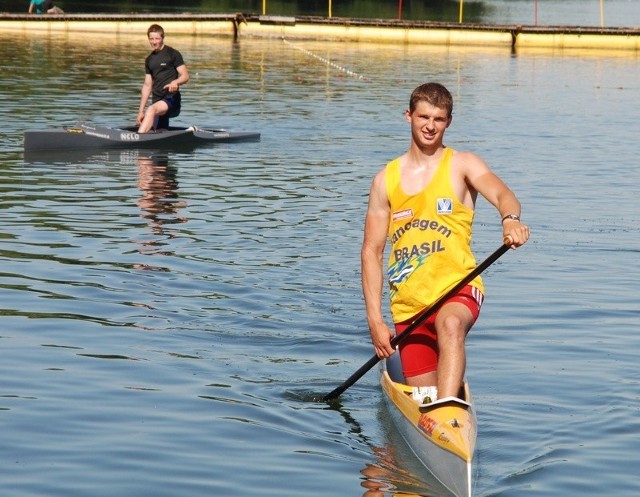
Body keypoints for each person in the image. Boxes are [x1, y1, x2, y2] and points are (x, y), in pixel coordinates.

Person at [361, 82, 530, 402]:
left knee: (451, 324)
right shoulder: (385, 180)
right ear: (408, 116)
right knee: (423, 395)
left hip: (458, 287)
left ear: (448, 122)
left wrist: (510, 220)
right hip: (409, 306)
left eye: (438, 119)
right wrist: (375, 319)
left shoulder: (464, 165)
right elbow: (372, 252)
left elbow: (502, 194)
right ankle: (435, 411)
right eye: (423, 117)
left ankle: (448, 409)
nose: (429, 126)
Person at [137, 24, 189, 133]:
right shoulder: (149, 59)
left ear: (163, 38)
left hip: (171, 99)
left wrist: (176, 82)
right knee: (158, 132)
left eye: (157, 38)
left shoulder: (173, 54)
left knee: (150, 110)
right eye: (151, 39)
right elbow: (147, 86)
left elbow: (185, 76)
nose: (154, 42)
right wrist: (141, 111)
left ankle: (135, 142)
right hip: (157, 101)